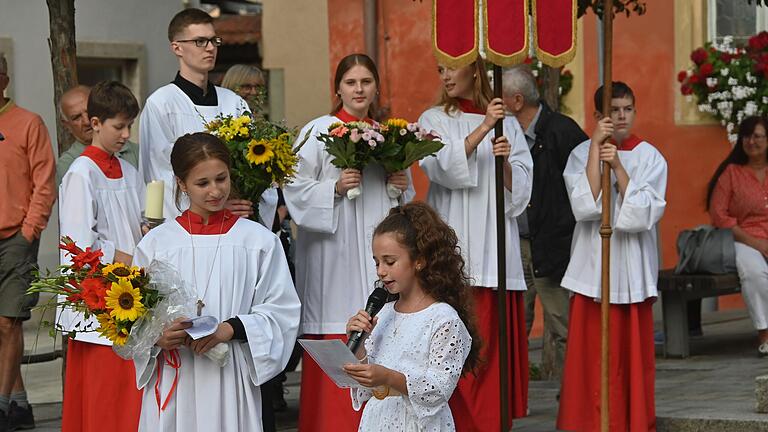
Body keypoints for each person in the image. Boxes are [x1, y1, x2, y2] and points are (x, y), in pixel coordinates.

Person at [132, 132, 301, 431]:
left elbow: (281, 311)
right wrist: (157, 336)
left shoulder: (257, 240)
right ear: (181, 184)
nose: (215, 191)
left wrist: (230, 329)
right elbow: (135, 316)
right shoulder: (157, 243)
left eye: (221, 179)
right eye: (202, 183)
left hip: (231, 374)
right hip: (176, 372)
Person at [283, 53, 414, 432]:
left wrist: (398, 185)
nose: (359, 90)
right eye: (351, 82)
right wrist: (334, 188)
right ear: (337, 87)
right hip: (333, 258)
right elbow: (293, 187)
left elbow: (402, 207)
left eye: (366, 82)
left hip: (378, 259)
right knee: (337, 330)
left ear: (376, 87)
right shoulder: (319, 131)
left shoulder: (389, 137)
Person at [418, 56, 533, 430]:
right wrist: (485, 127)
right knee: (451, 345)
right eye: (439, 70)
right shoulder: (434, 119)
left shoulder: (510, 125)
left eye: (452, 67)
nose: (446, 76)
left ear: (476, 71)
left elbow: (520, 195)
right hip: (452, 242)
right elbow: (440, 168)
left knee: (489, 349)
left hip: (495, 245)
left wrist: (505, 165)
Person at [557, 82, 667, 431]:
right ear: (599, 116)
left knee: (629, 355)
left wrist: (618, 166)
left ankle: (631, 420)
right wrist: (594, 149)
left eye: (627, 109)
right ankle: (587, 421)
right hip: (594, 265)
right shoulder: (580, 153)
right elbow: (584, 206)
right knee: (590, 355)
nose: (622, 116)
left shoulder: (650, 156)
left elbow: (644, 212)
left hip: (630, 264)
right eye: (614, 110)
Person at [342, 202, 480, 431]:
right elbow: (371, 388)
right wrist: (359, 350)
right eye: (377, 262)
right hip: (378, 421)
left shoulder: (443, 319)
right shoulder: (383, 313)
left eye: (389, 261)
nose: (380, 271)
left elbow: (439, 388)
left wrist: (388, 377)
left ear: (419, 260)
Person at [57, 81, 144, 432]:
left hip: (132, 289)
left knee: (129, 392)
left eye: (129, 126)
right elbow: (78, 245)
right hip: (102, 297)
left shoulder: (130, 170)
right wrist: (128, 256)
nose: (125, 135)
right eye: (118, 126)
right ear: (95, 123)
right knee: (105, 394)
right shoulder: (82, 173)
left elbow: (140, 222)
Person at [139, 8, 272, 224]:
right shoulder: (162, 103)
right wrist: (215, 203)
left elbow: (255, 167)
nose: (210, 48)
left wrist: (248, 199)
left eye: (213, 40)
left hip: (237, 220)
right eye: (200, 41)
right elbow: (158, 174)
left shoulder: (234, 102)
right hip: (191, 225)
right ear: (177, 48)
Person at [501, 65, 587, 378]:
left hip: (553, 245)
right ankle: (512, 400)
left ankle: (572, 402)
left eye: (500, 99)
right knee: (513, 327)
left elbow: (586, 187)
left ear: (517, 101)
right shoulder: (507, 135)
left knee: (562, 324)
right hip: (519, 243)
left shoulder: (562, 131)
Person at [0, 51, 56, 432]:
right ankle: (19, 406)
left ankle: (2, 407)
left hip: (14, 239)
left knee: (8, 324)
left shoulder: (28, 123)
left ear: (2, 79)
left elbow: (44, 182)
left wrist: (29, 231)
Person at [708, 115, 768, 356]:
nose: (751, 141)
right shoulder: (731, 173)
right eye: (746, 136)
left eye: (757, 136)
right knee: (754, 273)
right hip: (743, 237)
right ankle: (765, 333)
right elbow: (719, 216)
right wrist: (756, 243)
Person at [56, 85, 140, 185]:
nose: (87, 121)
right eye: (77, 117)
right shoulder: (69, 165)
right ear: (66, 125)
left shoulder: (135, 151)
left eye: (89, 112)